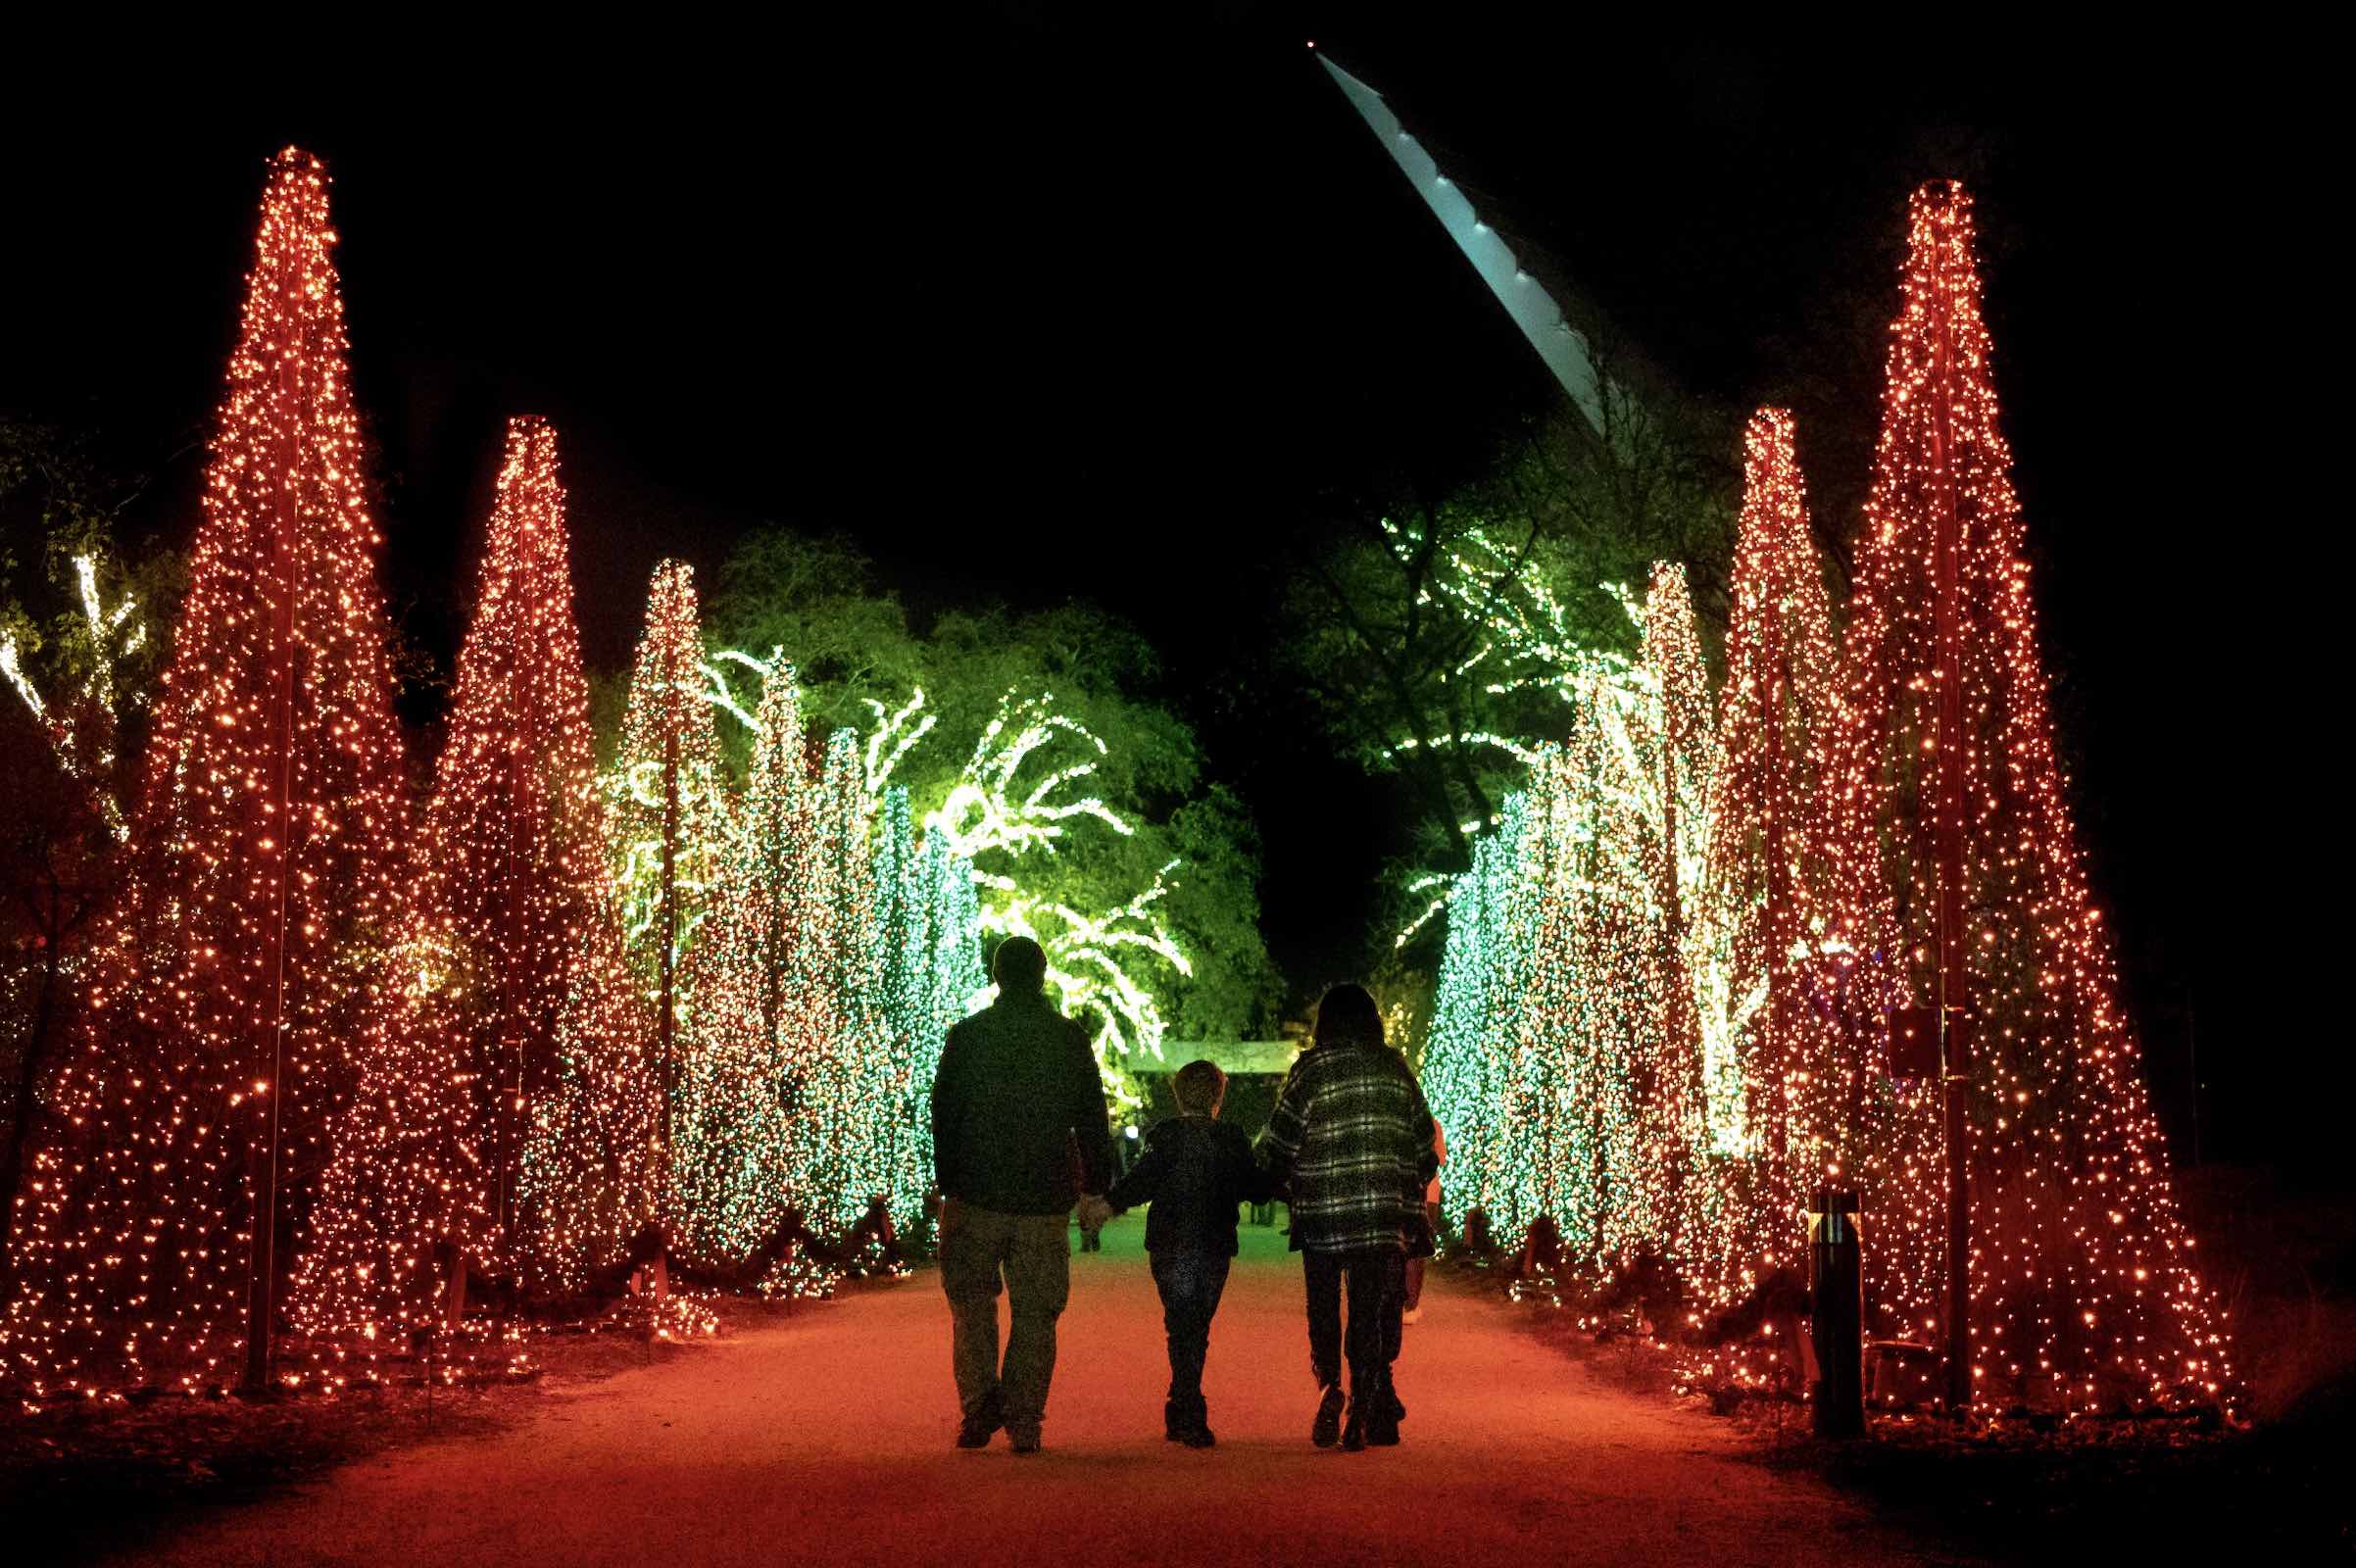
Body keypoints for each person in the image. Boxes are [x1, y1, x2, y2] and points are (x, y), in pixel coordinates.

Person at [931, 936, 1114, 1454]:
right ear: (1042, 975)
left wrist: (950, 1181)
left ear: (996, 976)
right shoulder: (1067, 1038)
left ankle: (978, 1407)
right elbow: (1090, 1118)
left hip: (975, 1191)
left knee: (971, 1306)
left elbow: (944, 1113)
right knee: (1037, 1311)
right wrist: (1095, 1185)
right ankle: (1024, 1416)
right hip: (1042, 1194)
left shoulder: (967, 1037)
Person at [1256, 984, 1437, 1451]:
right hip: (1380, 1216)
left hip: (1321, 1213)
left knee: (1322, 1307)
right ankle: (1363, 1398)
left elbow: (1278, 1143)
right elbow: (1424, 1144)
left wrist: (1272, 1180)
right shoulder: (1394, 1067)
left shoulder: (1310, 1070)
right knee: (1368, 1311)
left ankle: (1329, 1387)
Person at [1086, 1059, 1271, 1447]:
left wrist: (1106, 1206)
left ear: (1178, 1095)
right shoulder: (1232, 1139)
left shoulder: (1166, 1137)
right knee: (1196, 1324)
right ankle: (1188, 1405)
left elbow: (1141, 1182)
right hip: (1214, 1241)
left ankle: (1183, 1401)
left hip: (1170, 1242)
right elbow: (1256, 1188)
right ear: (1219, 1097)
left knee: (1181, 1320)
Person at [1401, 1118, 1448, 1324]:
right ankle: (1410, 1305)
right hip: (1428, 1194)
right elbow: (1441, 1158)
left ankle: (1397, 1301)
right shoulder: (1432, 1124)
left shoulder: (1398, 1122)